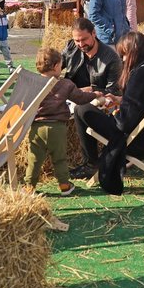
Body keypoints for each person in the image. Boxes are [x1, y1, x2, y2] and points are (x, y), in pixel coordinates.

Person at [73, 31, 144, 193]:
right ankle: (91, 163)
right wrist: (121, 100)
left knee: (82, 109)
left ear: (133, 53)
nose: (124, 59)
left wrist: (112, 111)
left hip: (141, 139)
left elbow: (124, 123)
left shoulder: (141, 74)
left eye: (125, 54)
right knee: (88, 107)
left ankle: (91, 163)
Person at [25, 47, 103, 196]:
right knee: (59, 158)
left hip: (37, 127)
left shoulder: (32, 83)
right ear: (55, 66)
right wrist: (95, 94)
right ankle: (64, 185)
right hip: (57, 127)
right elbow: (80, 98)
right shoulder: (65, 84)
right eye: (61, 65)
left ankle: (29, 186)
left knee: (34, 158)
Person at [61, 17, 123, 96]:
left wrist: (92, 90)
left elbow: (114, 91)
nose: (81, 44)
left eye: (84, 39)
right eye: (77, 41)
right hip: (70, 96)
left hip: (97, 100)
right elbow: (54, 65)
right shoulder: (71, 47)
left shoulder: (112, 59)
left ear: (94, 33)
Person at [0, 1, 15, 74]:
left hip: (4, 38)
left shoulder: (4, 16)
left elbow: (6, 25)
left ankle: (10, 66)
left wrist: (10, 22)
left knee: (7, 53)